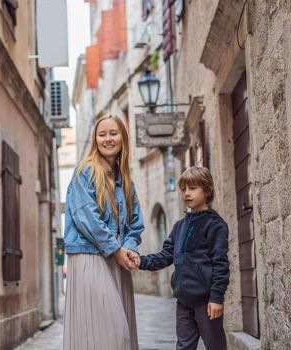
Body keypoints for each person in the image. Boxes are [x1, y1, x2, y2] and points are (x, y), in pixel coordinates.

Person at [63, 114, 144, 350]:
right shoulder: (85, 172)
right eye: (102, 134)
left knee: (122, 333)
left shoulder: (126, 180)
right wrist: (116, 249)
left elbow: (135, 222)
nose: (108, 139)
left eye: (113, 133)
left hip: (117, 258)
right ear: (95, 139)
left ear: (122, 138)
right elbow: (85, 216)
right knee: (112, 335)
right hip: (89, 256)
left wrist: (129, 247)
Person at [138, 166, 230, 350]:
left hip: (206, 301)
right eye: (183, 189)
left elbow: (220, 263)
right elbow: (166, 256)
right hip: (183, 300)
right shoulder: (180, 226)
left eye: (193, 188)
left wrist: (216, 297)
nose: (186, 193)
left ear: (207, 190)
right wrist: (141, 261)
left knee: (215, 345)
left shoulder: (215, 225)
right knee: (184, 346)